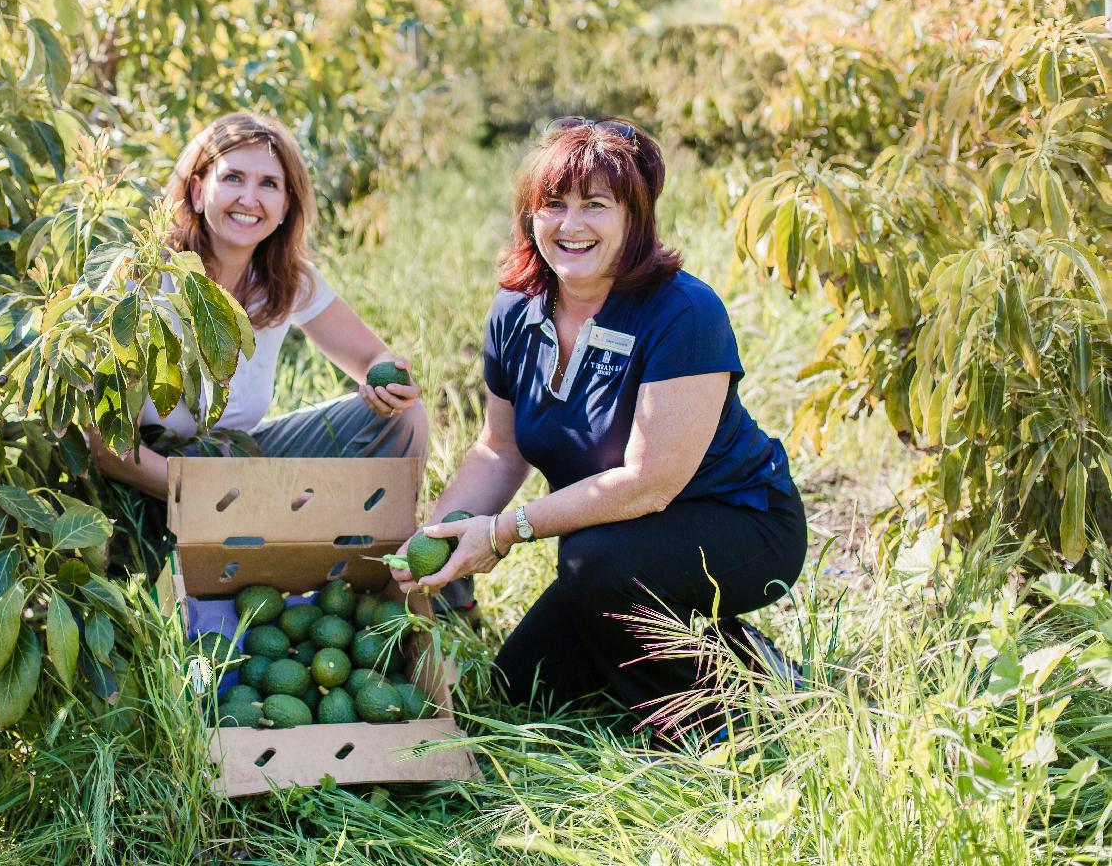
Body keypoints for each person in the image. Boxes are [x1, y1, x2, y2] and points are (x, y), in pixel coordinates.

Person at [392, 117, 806, 744]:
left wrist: (505, 532)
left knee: (595, 563)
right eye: (552, 204)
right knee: (523, 688)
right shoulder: (515, 310)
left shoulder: (682, 311)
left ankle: (707, 729)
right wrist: (441, 537)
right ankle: (738, 656)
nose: (571, 224)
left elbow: (648, 485)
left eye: (595, 205)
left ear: (633, 218)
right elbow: (499, 451)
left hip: (737, 520)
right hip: (622, 538)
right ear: (530, 216)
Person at [87, 112, 428, 549]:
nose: (250, 198)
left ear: (286, 206)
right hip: (157, 488)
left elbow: (371, 359)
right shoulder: (146, 280)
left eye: (269, 184)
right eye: (233, 178)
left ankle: (381, 565)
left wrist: (389, 383)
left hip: (237, 457)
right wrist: (254, 499)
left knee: (405, 417)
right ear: (196, 190)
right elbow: (110, 453)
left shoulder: (286, 281)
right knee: (255, 533)